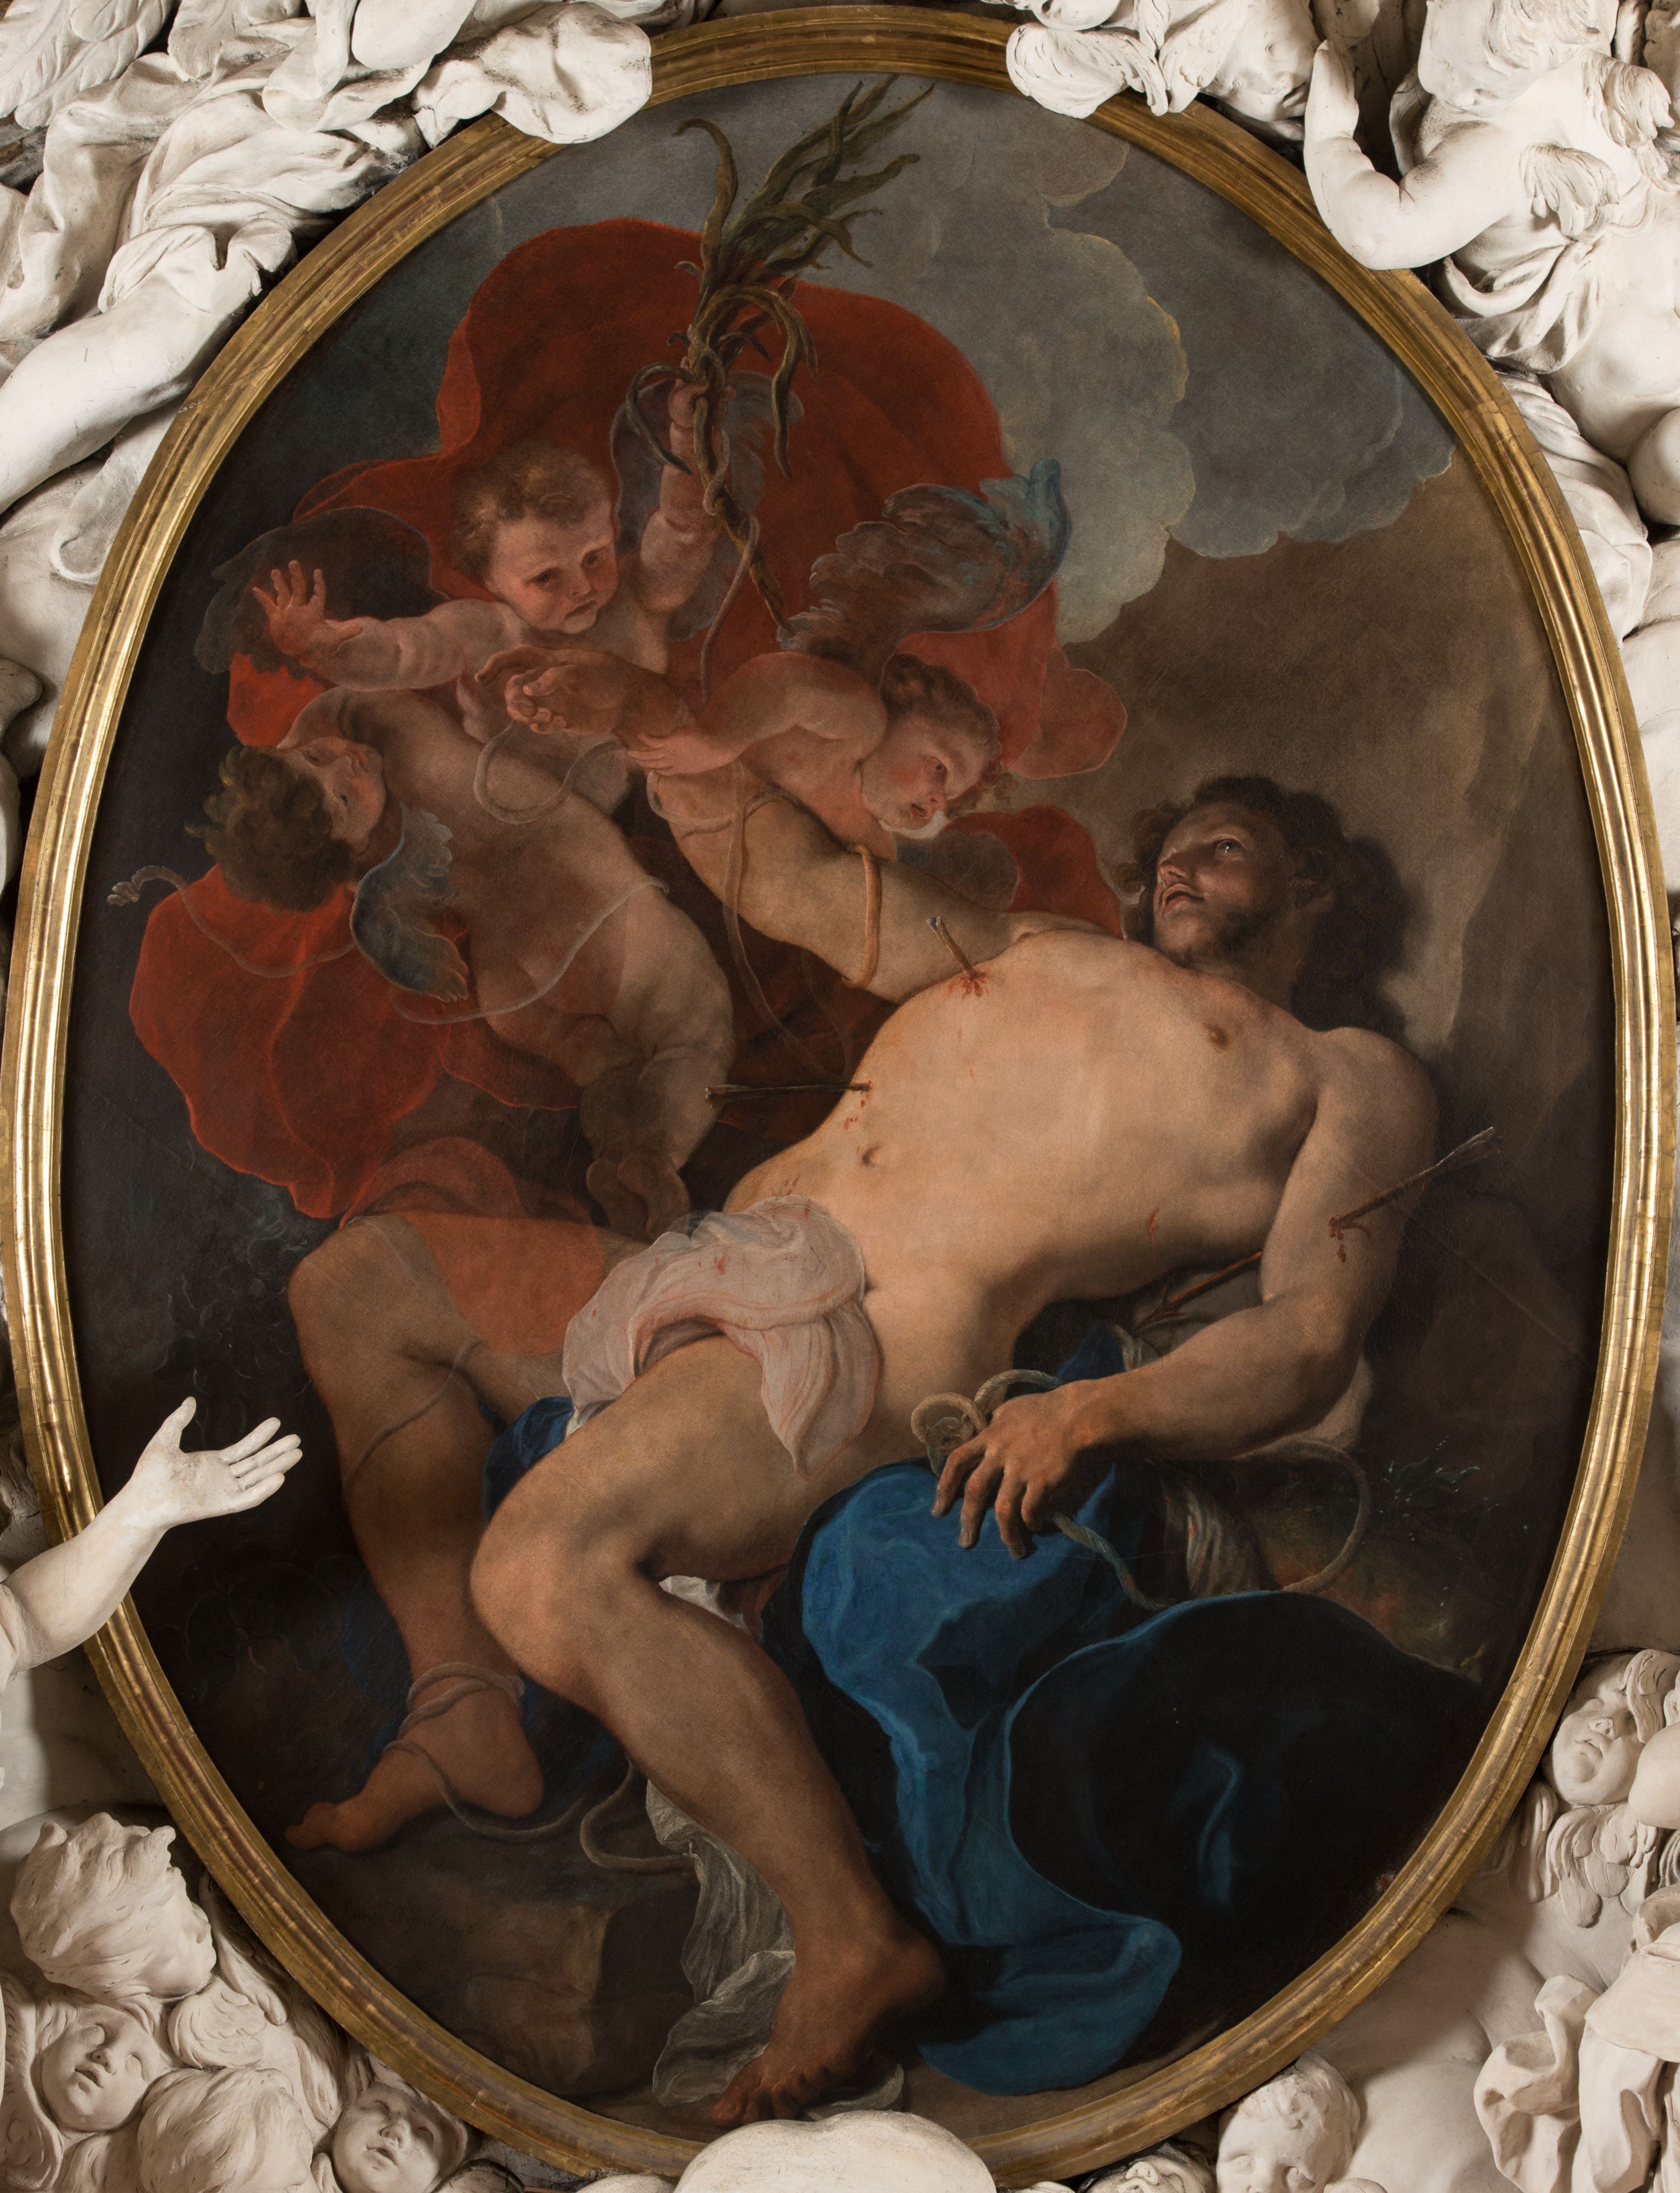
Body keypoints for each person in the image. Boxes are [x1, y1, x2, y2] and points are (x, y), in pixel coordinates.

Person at [460, 771, 1450, 2120]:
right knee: (380, 1298)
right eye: (1168, 846)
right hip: (709, 1276)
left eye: (1222, 847)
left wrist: (1085, 1412)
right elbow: (796, 883)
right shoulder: (1038, 943)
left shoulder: (1343, 1072)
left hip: (865, 1329)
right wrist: (663, 725)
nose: (1177, 867)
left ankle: (849, 1936)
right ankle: (451, 1732)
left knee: (537, 1564)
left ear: (1314, 884)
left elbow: (1310, 1335)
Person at [198, 677, 735, 1243]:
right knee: (695, 1027)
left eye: (316, 756)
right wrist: (300, 747)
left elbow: (339, 730)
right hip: (593, 906)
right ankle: (657, 1157)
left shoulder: (363, 860)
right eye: (345, 798)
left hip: (514, 988)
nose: (346, 764)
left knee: (603, 1065)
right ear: (350, 848)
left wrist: (299, 763)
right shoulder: (400, 733)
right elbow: (346, 703)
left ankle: (617, 1158)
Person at [251, 412, 721, 721]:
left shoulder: (639, 592)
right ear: (491, 581)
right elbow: (400, 652)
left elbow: (686, 526)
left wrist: (689, 433)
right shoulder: (484, 631)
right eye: (546, 577)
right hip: (517, 811)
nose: (582, 587)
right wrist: (327, 646)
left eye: (593, 557)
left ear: (614, 529)